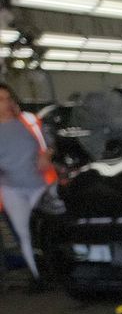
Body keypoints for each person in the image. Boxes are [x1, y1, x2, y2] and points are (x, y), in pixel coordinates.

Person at [0, 84, 54, 285]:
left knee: (43, 230)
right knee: (24, 233)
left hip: (40, 186)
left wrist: (46, 156)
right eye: (0, 100)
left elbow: (48, 143)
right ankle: (39, 275)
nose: (5, 103)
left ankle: (50, 270)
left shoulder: (28, 121)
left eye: (7, 98)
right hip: (12, 191)